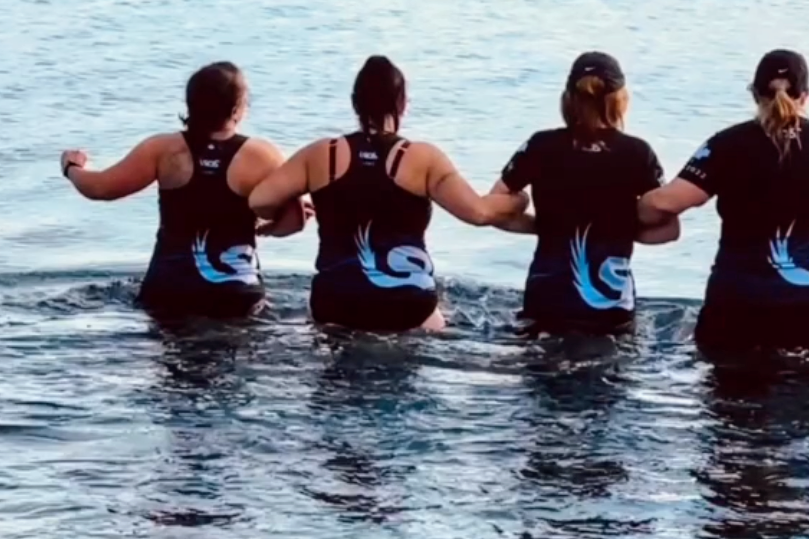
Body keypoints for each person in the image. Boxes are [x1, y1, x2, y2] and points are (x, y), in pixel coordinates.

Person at [248, 55, 528, 333]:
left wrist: (284, 214)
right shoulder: (423, 158)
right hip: (407, 304)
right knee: (436, 320)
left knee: (326, 328)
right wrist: (518, 200)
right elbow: (478, 213)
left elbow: (260, 200)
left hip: (336, 302)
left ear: (355, 102)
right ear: (402, 104)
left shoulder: (321, 155)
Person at [637, 49, 809, 357]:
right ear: (806, 95)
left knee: (732, 396)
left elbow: (664, 203)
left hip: (741, 300)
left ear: (754, 93)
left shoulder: (727, 143)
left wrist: (615, 211)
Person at [60, 61, 306, 319]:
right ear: (237, 109)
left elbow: (99, 188)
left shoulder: (162, 149)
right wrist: (263, 229)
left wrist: (72, 168)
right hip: (236, 292)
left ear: (191, 105)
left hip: (170, 287)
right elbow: (295, 220)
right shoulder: (262, 156)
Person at [488, 51, 680, 336]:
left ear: (568, 99)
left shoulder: (540, 145)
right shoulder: (637, 152)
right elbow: (669, 230)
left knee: (542, 369)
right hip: (609, 301)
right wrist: (620, 230)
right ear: (620, 101)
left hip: (547, 296)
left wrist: (542, 226)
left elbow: (495, 209)